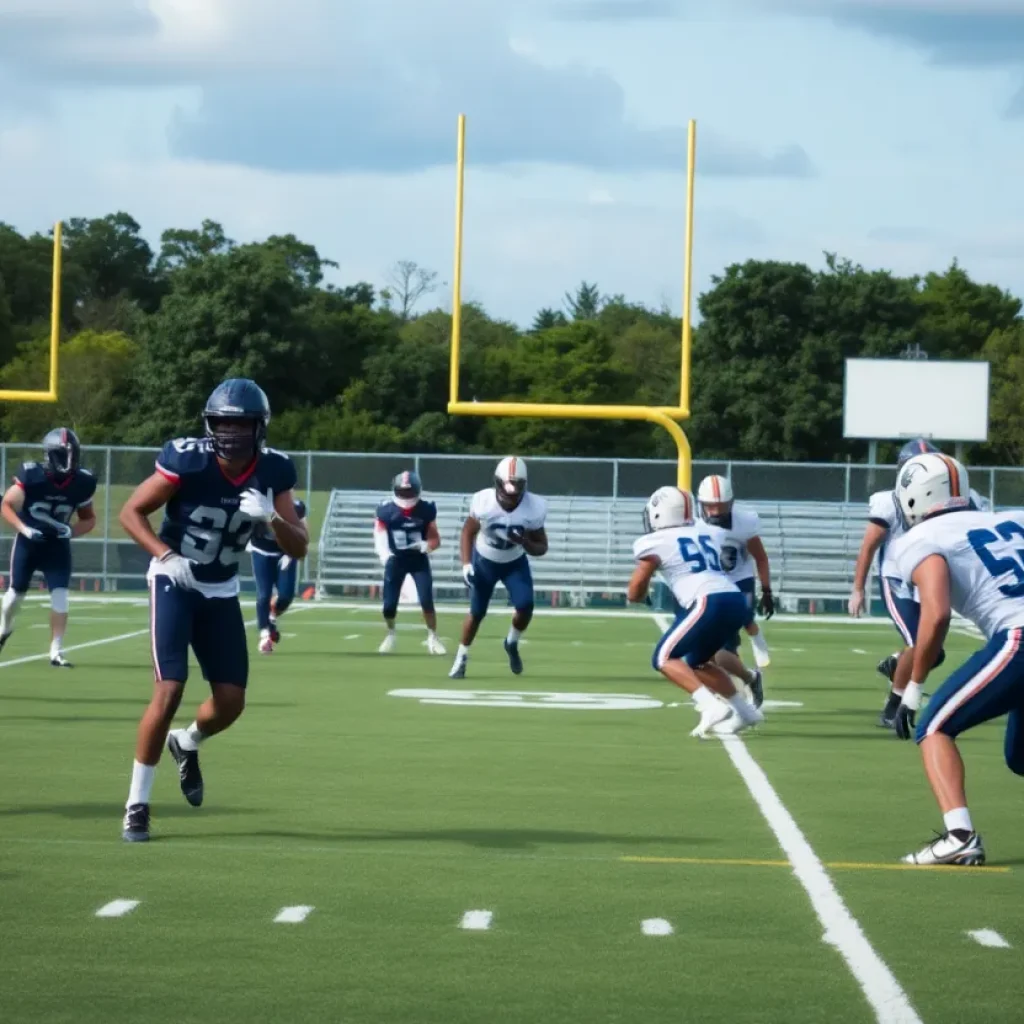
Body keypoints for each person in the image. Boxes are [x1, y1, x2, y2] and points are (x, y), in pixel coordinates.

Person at [118, 378, 307, 842]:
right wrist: (164, 556)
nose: (231, 433)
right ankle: (136, 805)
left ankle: (186, 742)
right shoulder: (188, 459)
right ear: (210, 423)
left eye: (241, 425)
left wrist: (271, 517)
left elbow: (298, 547)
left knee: (231, 702)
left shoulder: (274, 471)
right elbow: (131, 513)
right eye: (223, 423)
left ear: (258, 428)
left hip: (221, 587)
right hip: (175, 578)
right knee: (170, 688)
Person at [888, 451, 1024, 866]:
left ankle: (959, 835)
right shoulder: (1015, 517)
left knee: (934, 727)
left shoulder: (920, 540)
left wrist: (913, 687)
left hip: (1018, 637)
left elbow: (937, 612)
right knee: (1020, 756)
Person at [628, 485, 764, 738]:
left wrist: (637, 597)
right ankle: (746, 712)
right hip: (733, 598)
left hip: (707, 601)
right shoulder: (708, 532)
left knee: (663, 658)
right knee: (699, 662)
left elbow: (635, 588)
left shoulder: (655, 541)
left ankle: (709, 704)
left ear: (659, 514)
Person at [850, 439, 952, 726]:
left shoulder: (947, 499)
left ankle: (897, 663)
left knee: (934, 651)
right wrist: (858, 589)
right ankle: (893, 707)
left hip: (928, 579)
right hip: (898, 579)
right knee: (920, 644)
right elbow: (869, 546)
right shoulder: (888, 501)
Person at [0, 427, 96, 666]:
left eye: (72, 454)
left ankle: (56, 651)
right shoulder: (32, 476)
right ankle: (4, 627)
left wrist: (71, 531)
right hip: (29, 544)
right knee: (14, 596)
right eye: (64, 455)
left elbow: (89, 518)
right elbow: (6, 506)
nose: (69, 460)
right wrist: (24, 529)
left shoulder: (82, 482)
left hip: (57, 547)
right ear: (50, 455)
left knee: (60, 597)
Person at [449, 456, 547, 679]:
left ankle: (511, 642)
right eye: (506, 493)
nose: (510, 499)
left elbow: (542, 547)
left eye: (515, 494)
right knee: (476, 612)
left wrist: (525, 542)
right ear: (497, 484)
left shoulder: (534, 507)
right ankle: (460, 658)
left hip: (514, 561)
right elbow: (467, 531)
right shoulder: (483, 501)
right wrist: (466, 564)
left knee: (526, 605)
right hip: (485, 560)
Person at [695, 474, 772, 707]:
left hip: (739, 579)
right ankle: (743, 683)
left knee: (730, 637)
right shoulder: (693, 523)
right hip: (710, 582)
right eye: (711, 506)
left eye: (722, 505)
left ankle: (755, 642)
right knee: (708, 652)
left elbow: (760, 557)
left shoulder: (743, 522)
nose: (716, 511)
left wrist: (766, 590)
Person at [374, 470, 444, 655]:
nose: (406, 497)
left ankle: (432, 636)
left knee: (427, 600)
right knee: (389, 606)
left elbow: (436, 540)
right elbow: (379, 534)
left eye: (409, 492)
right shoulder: (386, 510)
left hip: (418, 560)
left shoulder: (426, 509)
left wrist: (426, 546)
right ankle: (390, 634)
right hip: (396, 559)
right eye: (402, 492)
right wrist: (385, 555)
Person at [249, 497, 308, 654]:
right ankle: (265, 635)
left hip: (285, 552)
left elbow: (303, 532)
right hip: (261, 550)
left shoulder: (296, 507)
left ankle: (271, 616)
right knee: (263, 595)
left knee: (286, 595)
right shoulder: (256, 502)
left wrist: (292, 551)